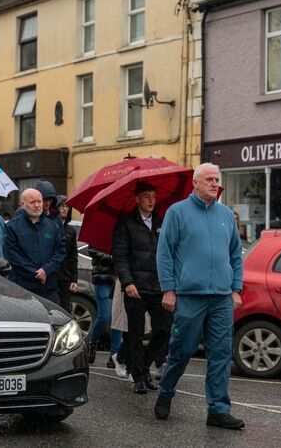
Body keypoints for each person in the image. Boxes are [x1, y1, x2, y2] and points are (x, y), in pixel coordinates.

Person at [153, 163, 245, 429]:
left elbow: (235, 255)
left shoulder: (226, 214)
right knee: (181, 351)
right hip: (190, 296)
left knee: (220, 353)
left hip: (220, 298)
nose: (215, 184)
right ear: (195, 183)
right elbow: (165, 253)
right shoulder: (177, 212)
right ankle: (166, 393)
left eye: (217, 179)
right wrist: (168, 289)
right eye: (209, 179)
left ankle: (218, 409)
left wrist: (236, 288)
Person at [112, 182, 170, 394]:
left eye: (154, 196)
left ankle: (144, 366)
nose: (151, 200)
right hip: (135, 287)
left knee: (164, 329)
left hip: (158, 287)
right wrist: (128, 282)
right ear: (137, 199)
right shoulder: (126, 223)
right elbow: (120, 257)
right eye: (146, 196)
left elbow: (169, 253)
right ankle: (138, 376)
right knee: (135, 334)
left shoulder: (162, 222)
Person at [4, 188, 66, 304]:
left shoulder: (52, 226)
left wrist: (46, 270)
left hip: (49, 288)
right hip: (22, 289)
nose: (37, 205)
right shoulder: (12, 227)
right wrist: (35, 273)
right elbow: (13, 255)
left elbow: (60, 252)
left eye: (39, 201)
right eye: (32, 202)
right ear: (22, 204)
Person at [86, 246, 123, 368]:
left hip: (120, 280)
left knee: (118, 318)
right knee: (105, 315)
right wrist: (113, 258)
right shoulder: (100, 232)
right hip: (103, 279)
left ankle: (114, 355)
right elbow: (92, 251)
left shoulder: (122, 231)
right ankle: (92, 343)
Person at [56, 196, 78, 313]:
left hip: (65, 277)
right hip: (51, 276)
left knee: (65, 310)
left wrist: (74, 278)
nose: (64, 209)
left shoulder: (71, 231)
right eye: (61, 206)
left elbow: (73, 256)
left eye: (67, 207)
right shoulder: (51, 226)